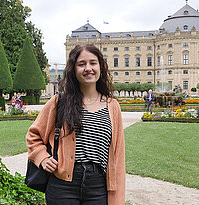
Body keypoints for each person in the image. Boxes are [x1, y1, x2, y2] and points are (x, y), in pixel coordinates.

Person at [26, 44, 125, 205]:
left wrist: (117, 196)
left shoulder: (112, 106)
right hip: (62, 185)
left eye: (93, 63)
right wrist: (42, 157)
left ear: (101, 67)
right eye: (81, 64)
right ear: (73, 69)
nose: (88, 68)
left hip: (98, 186)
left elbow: (118, 156)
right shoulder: (60, 101)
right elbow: (33, 135)